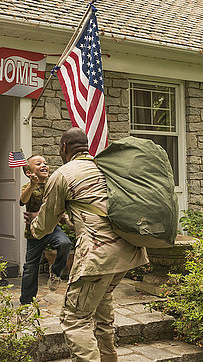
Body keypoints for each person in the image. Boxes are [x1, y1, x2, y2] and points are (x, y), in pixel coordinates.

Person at [25, 128, 149, 362]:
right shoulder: (105, 167)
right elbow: (97, 212)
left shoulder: (62, 175)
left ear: (63, 148)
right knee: (101, 306)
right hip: (128, 251)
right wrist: (69, 221)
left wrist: (34, 225)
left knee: (75, 319)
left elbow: (44, 225)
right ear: (86, 145)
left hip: (98, 256)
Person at [19, 155, 72, 305]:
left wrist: (58, 215)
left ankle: (55, 272)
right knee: (30, 267)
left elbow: (59, 205)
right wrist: (32, 185)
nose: (44, 165)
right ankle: (26, 302)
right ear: (29, 172)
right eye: (38, 163)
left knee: (65, 244)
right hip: (34, 232)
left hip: (51, 228)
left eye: (45, 163)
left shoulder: (53, 185)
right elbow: (22, 201)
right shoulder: (28, 186)